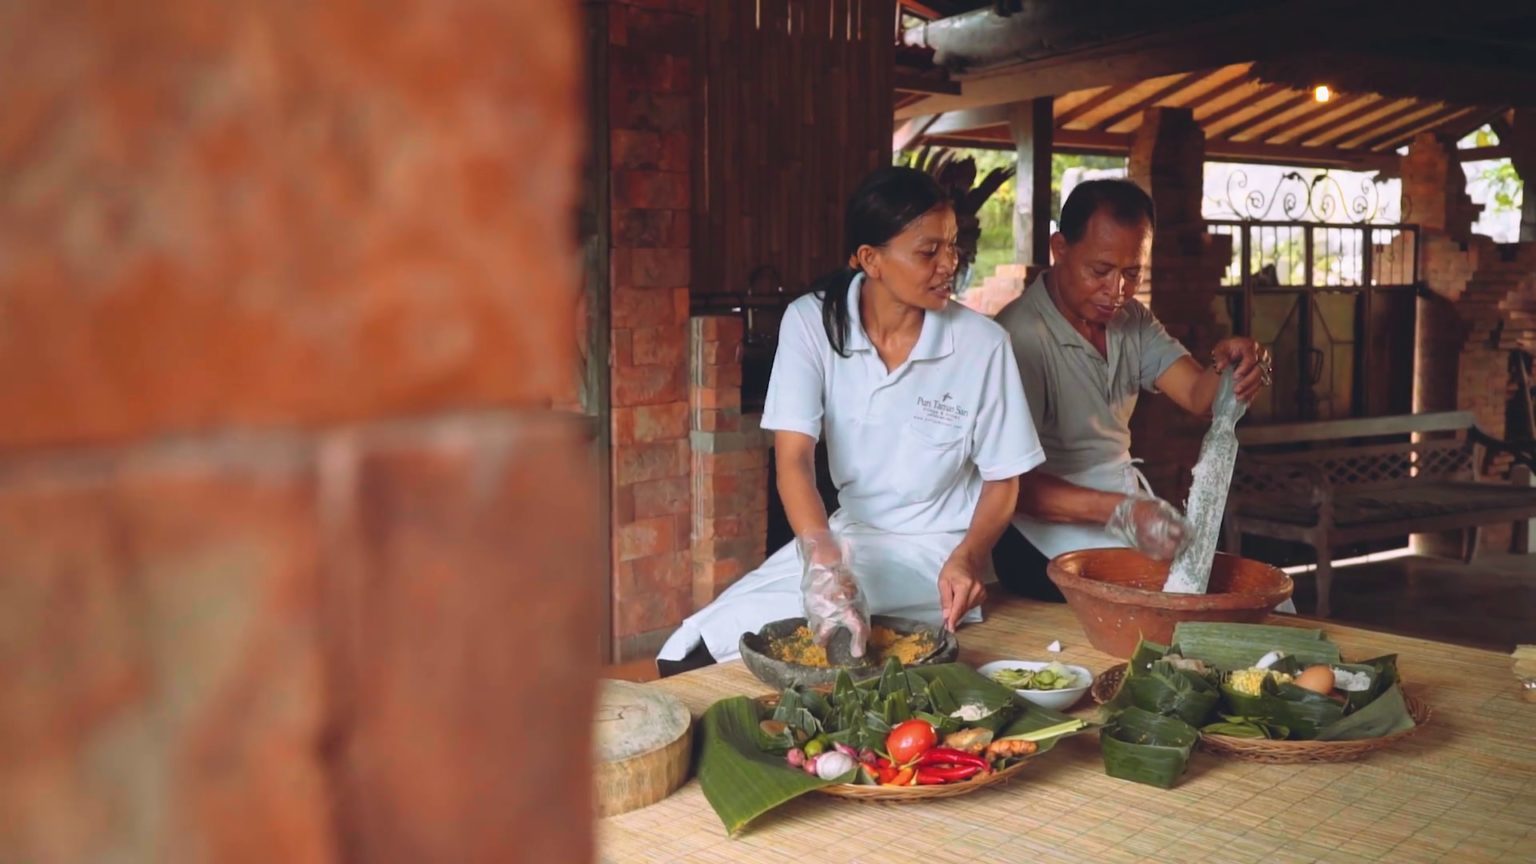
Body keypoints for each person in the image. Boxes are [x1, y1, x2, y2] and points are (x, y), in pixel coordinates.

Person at [657, 167, 1045, 673]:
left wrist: (969, 557)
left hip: (936, 555)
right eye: (929, 251)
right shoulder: (812, 323)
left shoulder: (981, 344)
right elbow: (793, 460)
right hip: (847, 537)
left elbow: (1004, 478)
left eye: (952, 246)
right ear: (870, 260)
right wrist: (822, 558)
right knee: (695, 645)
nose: (949, 263)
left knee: (795, 640)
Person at [991, 179, 1272, 601]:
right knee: (1165, 603)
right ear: (1060, 248)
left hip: (1122, 507)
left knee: (1217, 589)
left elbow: (1200, 397)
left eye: (1132, 273)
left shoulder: (1132, 320)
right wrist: (1124, 512)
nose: (1117, 291)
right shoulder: (1020, 335)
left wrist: (1231, 363)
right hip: (1038, 533)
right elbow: (1014, 487)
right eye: (1100, 271)